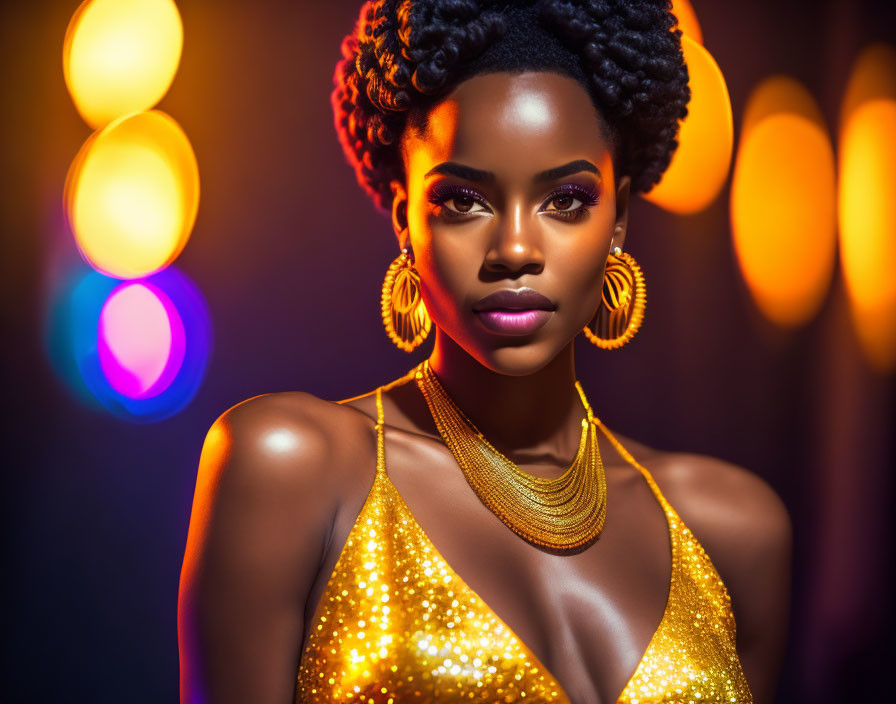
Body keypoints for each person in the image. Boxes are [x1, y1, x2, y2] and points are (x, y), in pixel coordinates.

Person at [178, 1, 792, 702]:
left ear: (618, 218)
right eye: (463, 200)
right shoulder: (294, 468)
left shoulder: (734, 531)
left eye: (565, 200)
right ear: (403, 215)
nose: (516, 251)